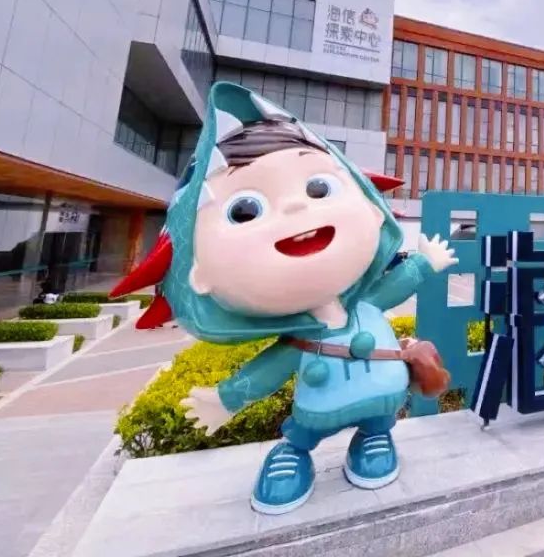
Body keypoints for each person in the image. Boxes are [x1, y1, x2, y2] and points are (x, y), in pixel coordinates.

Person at [108, 82, 456, 515]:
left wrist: (424, 263)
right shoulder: (300, 337)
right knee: (303, 434)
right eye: (245, 210)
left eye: (318, 189)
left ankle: (374, 437)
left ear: (371, 207)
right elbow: (268, 370)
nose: (296, 209)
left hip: (383, 403)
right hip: (316, 412)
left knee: (377, 426)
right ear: (198, 273)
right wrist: (227, 398)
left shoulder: (364, 305)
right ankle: (294, 452)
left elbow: (394, 285)